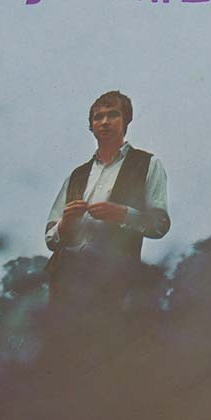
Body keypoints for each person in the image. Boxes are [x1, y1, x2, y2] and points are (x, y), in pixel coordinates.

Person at [45, 91, 169, 303]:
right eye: (98, 117)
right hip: (66, 282)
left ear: (126, 120)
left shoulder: (148, 164)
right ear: (91, 126)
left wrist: (123, 214)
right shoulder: (77, 175)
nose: (104, 122)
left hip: (113, 283)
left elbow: (160, 224)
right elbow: (50, 236)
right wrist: (65, 223)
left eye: (112, 114)